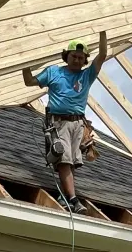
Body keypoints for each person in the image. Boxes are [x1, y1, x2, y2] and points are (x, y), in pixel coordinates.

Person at [23, 31, 106, 212]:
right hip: (58, 123)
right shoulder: (54, 72)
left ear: (84, 60)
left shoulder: (86, 76)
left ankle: (63, 196)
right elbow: (29, 81)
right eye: (74, 56)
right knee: (64, 159)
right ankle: (74, 199)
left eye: (80, 57)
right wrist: (25, 61)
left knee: (72, 161)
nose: (77, 60)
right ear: (66, 56)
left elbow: (102, 55)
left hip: (78, 123)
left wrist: (103, 32)